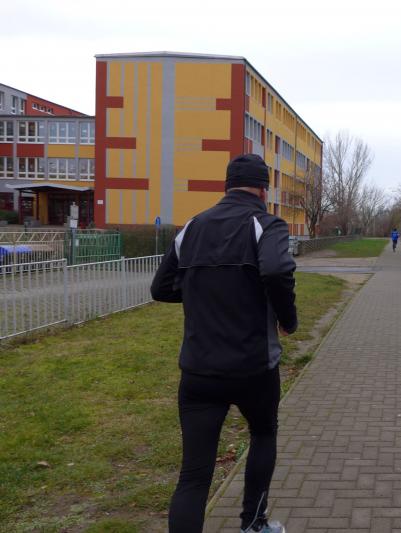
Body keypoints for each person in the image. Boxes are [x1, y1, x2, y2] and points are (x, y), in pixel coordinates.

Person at [151, 154, 297, 533]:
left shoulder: (192, 227)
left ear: (226, 187)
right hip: (254, 368)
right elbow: (277, 270)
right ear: (263, 191)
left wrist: (205, 295)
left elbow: (161, 287)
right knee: (263, 434)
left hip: (199, 371)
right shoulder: (267, 224)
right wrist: (288, 320)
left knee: (194, 475)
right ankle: (254, 525)